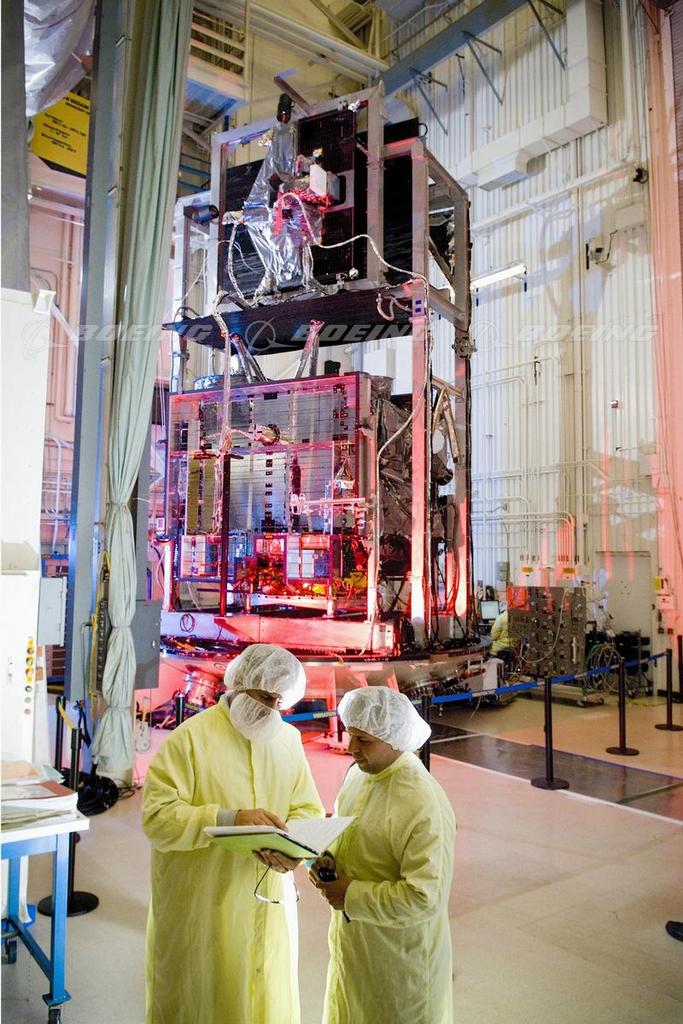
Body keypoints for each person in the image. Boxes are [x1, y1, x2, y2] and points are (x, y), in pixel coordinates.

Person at [142, 644, 324, 1024]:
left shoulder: (287, 741)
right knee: (203, 998)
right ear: (239, 683)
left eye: (280, 703)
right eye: (264, 697)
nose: (271, 711)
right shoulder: (191, 739)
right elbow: (158, 818)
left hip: (268, 903)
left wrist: (296, 851)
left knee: (264, 996)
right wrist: (228, 819)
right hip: (203, 905)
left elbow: (308, 808)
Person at [310, 686, 456, 1024]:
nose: (351, 748)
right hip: (356, 945)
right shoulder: (360, 776)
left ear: (393, 738)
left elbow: (424, 897)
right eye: (350, 734)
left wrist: (350, 895)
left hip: (399, 961)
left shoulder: (421, 802)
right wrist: (326, 857)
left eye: (363, 740)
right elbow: (349, 832)